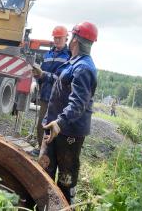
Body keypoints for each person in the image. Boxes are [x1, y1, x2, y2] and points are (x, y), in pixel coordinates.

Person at [38, 21, 98, 204]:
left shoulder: (84, 68)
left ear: (74, 41)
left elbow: (78, 103)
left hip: (67, 132)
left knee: (66, 179)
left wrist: (60, 122)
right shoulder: (74, 62)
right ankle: (40, 205)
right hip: (54, 128)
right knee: (43, 171)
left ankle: (63, 207)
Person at [34, 25, 70, 151]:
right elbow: (42, 74)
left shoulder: (68, 56)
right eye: (55, 37)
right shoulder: (47, 55)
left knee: (54, 124)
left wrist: (43, 75)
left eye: (60, 38)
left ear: (66, 38)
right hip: (45, 94)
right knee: (41, 124)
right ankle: (40, 148)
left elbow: (61, 78)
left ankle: (50, 151)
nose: (57, 40)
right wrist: (38, 76)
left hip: (58, 97)